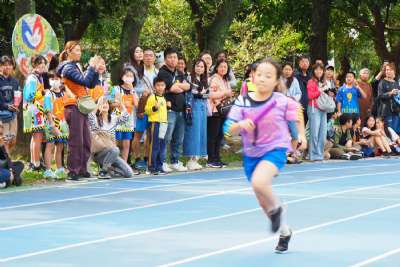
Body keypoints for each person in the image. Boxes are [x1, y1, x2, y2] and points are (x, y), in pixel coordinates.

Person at [225, 58, 300, 253]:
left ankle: (278, 208)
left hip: (275, 149)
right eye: (259, 74)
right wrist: (240, 125)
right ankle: (284, 231)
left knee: (260, 183)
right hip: (251, 153)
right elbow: (227, 129)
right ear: (252, 76)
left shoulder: (282, 101)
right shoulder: (242, 101)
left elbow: (295, 119)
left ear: (276, 81)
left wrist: (298, 138)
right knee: (261, 199)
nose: (263, 79)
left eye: (268, 76)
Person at [57, 41, 100, 180]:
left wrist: (96, 71)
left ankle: (82, 169)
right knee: (76, 140)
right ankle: (73, 171)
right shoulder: (67, 68)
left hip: (82, 106)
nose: (79, 52)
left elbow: (91, 84)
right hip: (73, 106)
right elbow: (84, 81)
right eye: (76, 50)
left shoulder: (76, 66)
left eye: (80, 50)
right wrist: (91, 67)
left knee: (86, 140)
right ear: (68, 52)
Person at [157, 47, 190, 172]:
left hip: (181, 109)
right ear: (165, 59)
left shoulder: (179, 73)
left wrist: (179, 86)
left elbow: (187, 86)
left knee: (179, 138)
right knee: (166, 137)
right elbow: (173, 88)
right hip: (168, 110)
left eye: (175, 57)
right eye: (170, 57)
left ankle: (175, 161)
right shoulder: (163, 73)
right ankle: (162, 162)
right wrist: (179, 87)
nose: (173, 59)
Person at [88, 96, 135, 178]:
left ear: (109, 106)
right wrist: (98, 104)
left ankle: (109, 170)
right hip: (100, 153)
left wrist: (121, 104)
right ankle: (104, 171)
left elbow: (126, 117)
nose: (104, 105)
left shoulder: (113, 119)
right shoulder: (96, 120)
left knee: (129, 173)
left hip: (112, 154)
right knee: (116, 149)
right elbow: (90, 117)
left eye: (106, 103)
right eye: (102, 103)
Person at [23, 55, 48, 171]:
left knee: (35, 137)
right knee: (37, 137)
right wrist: (42, 93)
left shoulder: (39, 77)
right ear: (34, 65)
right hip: (34, 111)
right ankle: (36, 164)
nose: (42, 65)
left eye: (44, 63)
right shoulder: (32, 78)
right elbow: (29, 96)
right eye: (40, 63)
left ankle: (34, 162)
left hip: (37, 111)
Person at [183, 59, 209, 170]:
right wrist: (201, 94)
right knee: (193, 132)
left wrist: (202, 94)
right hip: (193, 107)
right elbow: (193, 93)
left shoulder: (204, 80)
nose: (199, 68)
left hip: (202, 107)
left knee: (201, 132)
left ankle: (196, 158)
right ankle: (190, 159)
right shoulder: (189, 78)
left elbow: (207, 94)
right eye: (197, 66)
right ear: (193, 67)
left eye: (202, 67)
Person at [43, 71, 69, 179]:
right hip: (51, 123)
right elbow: (48, 110)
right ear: (49, 81)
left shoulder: (64, 94)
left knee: (60, 146)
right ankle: (48, 170)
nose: (55, 81)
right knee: (50, 145)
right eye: (52, 79)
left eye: (57, 79)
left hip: (63, 124)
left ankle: (59, 169)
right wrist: (52, 124)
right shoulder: (49, 94)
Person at [207, 59, 232, 168]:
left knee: (219, 136)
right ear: (216, 67)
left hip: (223, 111)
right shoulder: (214, 79)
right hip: (215, 110)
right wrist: (225, 93)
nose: (223, 69)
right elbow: (211, 94)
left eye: (225, 67)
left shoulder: (225, 80)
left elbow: (228, 94)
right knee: (213, 135)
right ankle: (210, 159)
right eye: (221, 66)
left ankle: (217, 158)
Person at [110, 68, 139, 162]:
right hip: (117, 118)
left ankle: (124, 164)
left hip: (129, 120)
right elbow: (111, 105)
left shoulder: (133, 91)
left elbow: (137, 104)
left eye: (131, 76)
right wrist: (120, 104)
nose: (129, 78)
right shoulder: (116, 89)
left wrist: (132, 91)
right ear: (122, 77)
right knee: (116, 143)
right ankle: (113, 164)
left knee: (127, 143)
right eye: (127, 76)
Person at [145, 77, 168, 175]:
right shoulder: (152, 97)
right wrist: (154, 108)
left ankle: (159, 165)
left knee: (162, 146)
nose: (160, 87)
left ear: (165, 87)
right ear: (154, 86)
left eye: (162, 85)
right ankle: (151, 166)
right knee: (154, 145)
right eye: (158, 85)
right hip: (155, 123)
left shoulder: (163, 98)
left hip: (163, 124)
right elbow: (147, 110)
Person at [307, 63, 328, 161]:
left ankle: (319, 154)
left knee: (322, 134)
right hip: (313, 108)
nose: (319, 71)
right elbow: (310, 96)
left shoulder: (324, 82)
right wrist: (320, 90)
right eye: (316, 70)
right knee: (314, 133)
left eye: (321, 70)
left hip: (323, 109)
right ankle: (313, 155)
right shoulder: (311, 82)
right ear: (314, 71)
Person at [0, 55, 20, 152]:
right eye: (4, 65)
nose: (7, 67)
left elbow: (17, 96)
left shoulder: (15, 81)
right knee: (5, 140)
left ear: (12, 66)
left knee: (12, 140)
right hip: (2, 114)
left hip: (13, 114)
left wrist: (17, 103)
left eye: (9, 65)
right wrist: (7, 106)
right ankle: (6, 164)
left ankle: (6, 161)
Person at [377, 63, 400, 133]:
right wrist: (391, 93)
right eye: (387, 70)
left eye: (390, 70)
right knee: (389, 132)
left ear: (394, 71)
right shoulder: (382, 82)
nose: (388, 71)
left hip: (396, 111)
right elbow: (380, 96)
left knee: (395, 131)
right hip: (386, 111)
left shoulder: (396, 83)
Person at [0, 122, 24, 188]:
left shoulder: (2, 141)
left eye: (2, 127)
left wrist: (5, 147)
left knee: (20, 164)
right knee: (6, 173)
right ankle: (9, 180)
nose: (1, 129)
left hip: (2, 167)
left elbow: (7, 160)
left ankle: (10, 179)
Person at [295, 55, 311, 122]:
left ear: (309, 64)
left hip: (310, 107)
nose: (305, 63)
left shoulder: (310, 76)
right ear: (299, 63)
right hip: (299, 106)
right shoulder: (295, 76)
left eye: (306, 62)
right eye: (302, 61)